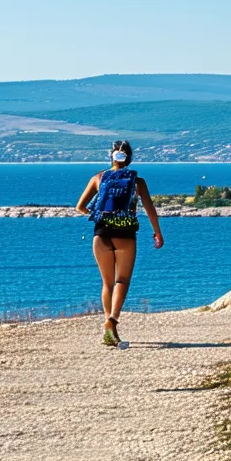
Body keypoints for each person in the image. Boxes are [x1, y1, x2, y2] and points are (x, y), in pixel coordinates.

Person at [75, 140, 164, 346]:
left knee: (106, 283)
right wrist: (157, 232)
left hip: (101, 234)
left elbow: (80, 206)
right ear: (130, 158)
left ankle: (108, 326)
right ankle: (113, 320)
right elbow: (150, 209)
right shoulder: (137, 181)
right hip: (125, 234)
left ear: (111, 156)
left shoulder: (98, 178)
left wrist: (97, 215)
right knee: (121, 280)